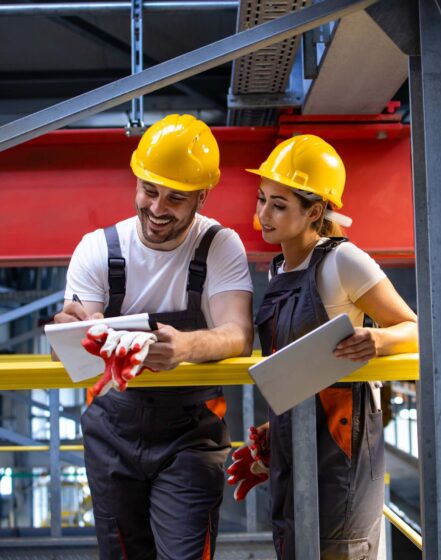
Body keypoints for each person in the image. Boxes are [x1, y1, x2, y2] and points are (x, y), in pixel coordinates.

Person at [54, 114, 254, 560]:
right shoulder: (98, 249)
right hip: (112, 428)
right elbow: (85, 338)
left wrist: (185, 347)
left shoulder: (219, 246)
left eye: (176, 198)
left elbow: (239, 334)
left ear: (202, 196)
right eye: (149, 190)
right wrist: (72, 330)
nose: (158, 208)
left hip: (190, 432)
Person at [227, 134, 418, 560]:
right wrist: (276, 436)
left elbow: (417, 330)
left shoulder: (344, 261)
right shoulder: (279, 269)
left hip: (341, 454)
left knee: (336, 549)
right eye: (262, 199)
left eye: (279, 205)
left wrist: (379, 339)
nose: (263, 214)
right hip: (295, 449)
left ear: (314, 211)